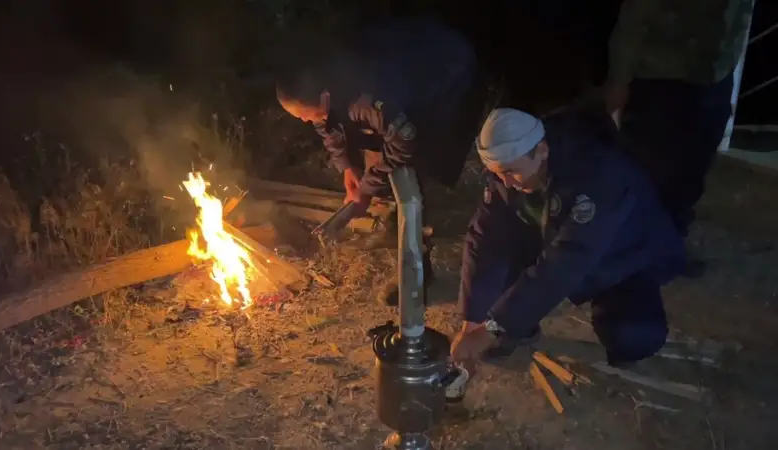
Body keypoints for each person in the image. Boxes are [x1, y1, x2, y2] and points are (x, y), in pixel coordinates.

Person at [450, 107, 686, 369]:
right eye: (497, 173)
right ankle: (516, 327)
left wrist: (494, 326)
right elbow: (483, 238)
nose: (505, 182)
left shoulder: (598, 175)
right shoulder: (512, 170)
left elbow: (567, 259)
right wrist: (473, 320)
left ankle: (624, 330)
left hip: (623, 256)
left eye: (510, 172)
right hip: (558, 238)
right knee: (501, 248)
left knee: (633, 333)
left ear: (542, 150)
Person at [275, 18, 488, 306]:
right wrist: (347, 168)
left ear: (325, 97)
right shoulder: (322, 83)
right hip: (403, 78)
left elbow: (404, 143)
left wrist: (367, 188)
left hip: (448, 80)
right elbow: (327, 126)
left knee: (417, 179)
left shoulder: (369, 100)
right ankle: (394, 220)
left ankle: (417, 274)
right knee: (383, 164)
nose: (304, 120)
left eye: (305, 114)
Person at [604, 0, 755, 276]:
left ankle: (668, 247)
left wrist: (728, 66)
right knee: (647, 174)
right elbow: (635, 16)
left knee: (692, 172)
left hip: (714, 74)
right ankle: (629, 255)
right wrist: (619, 80)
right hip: (661, 76)